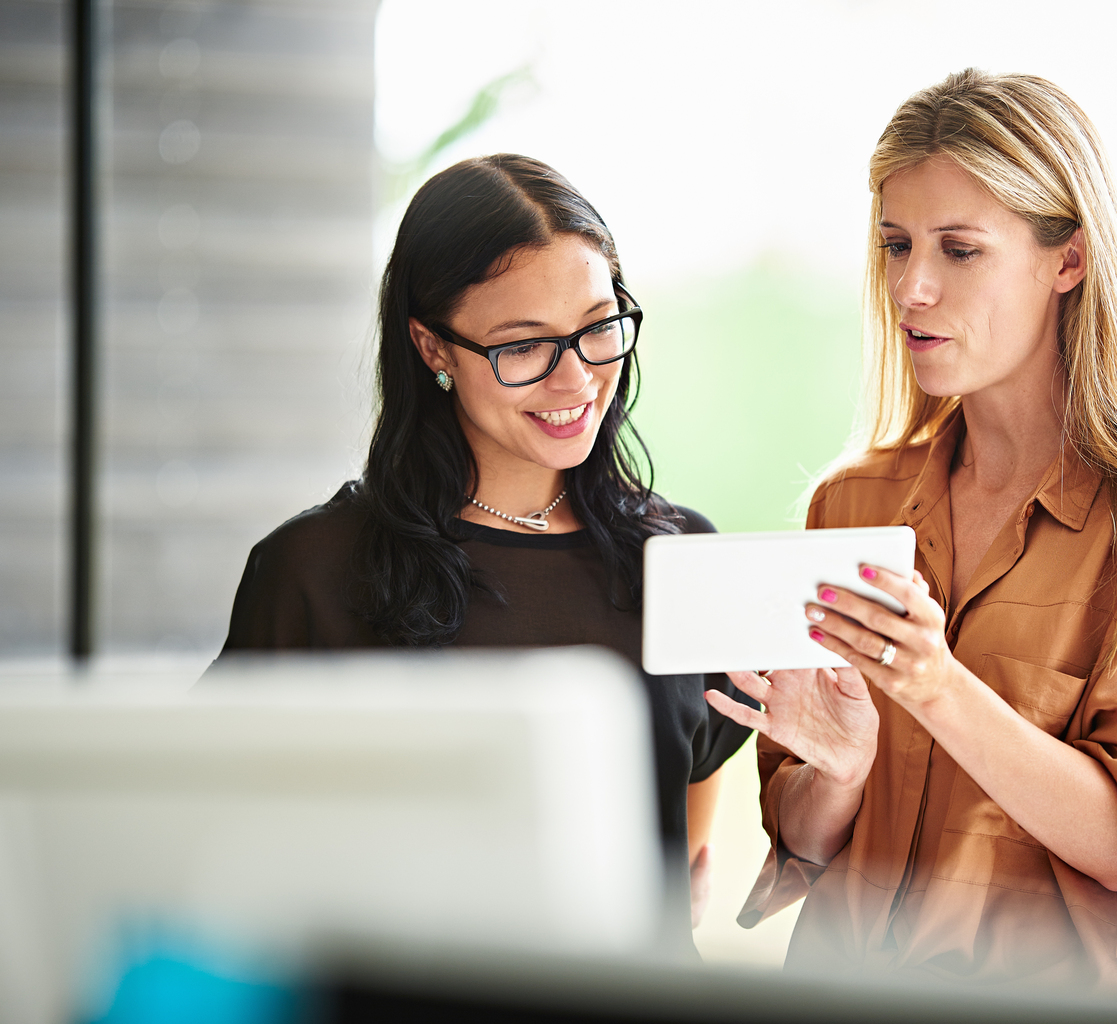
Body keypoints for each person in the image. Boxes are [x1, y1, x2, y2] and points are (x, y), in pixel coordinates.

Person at [706, 70, 1117, 1001]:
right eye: (896, 245)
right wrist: (840, 778)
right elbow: (803, 843)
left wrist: (934, 686)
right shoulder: (848, 506)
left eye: (960, 251)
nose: (912, 288)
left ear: (1070, 260)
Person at [216, 154, 754, 948]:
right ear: (433, 348)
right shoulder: (313, 571)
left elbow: (687, 817)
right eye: (523, 346)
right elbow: (225, 853)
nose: (575, 380)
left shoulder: (681, 557)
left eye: (599, 328)